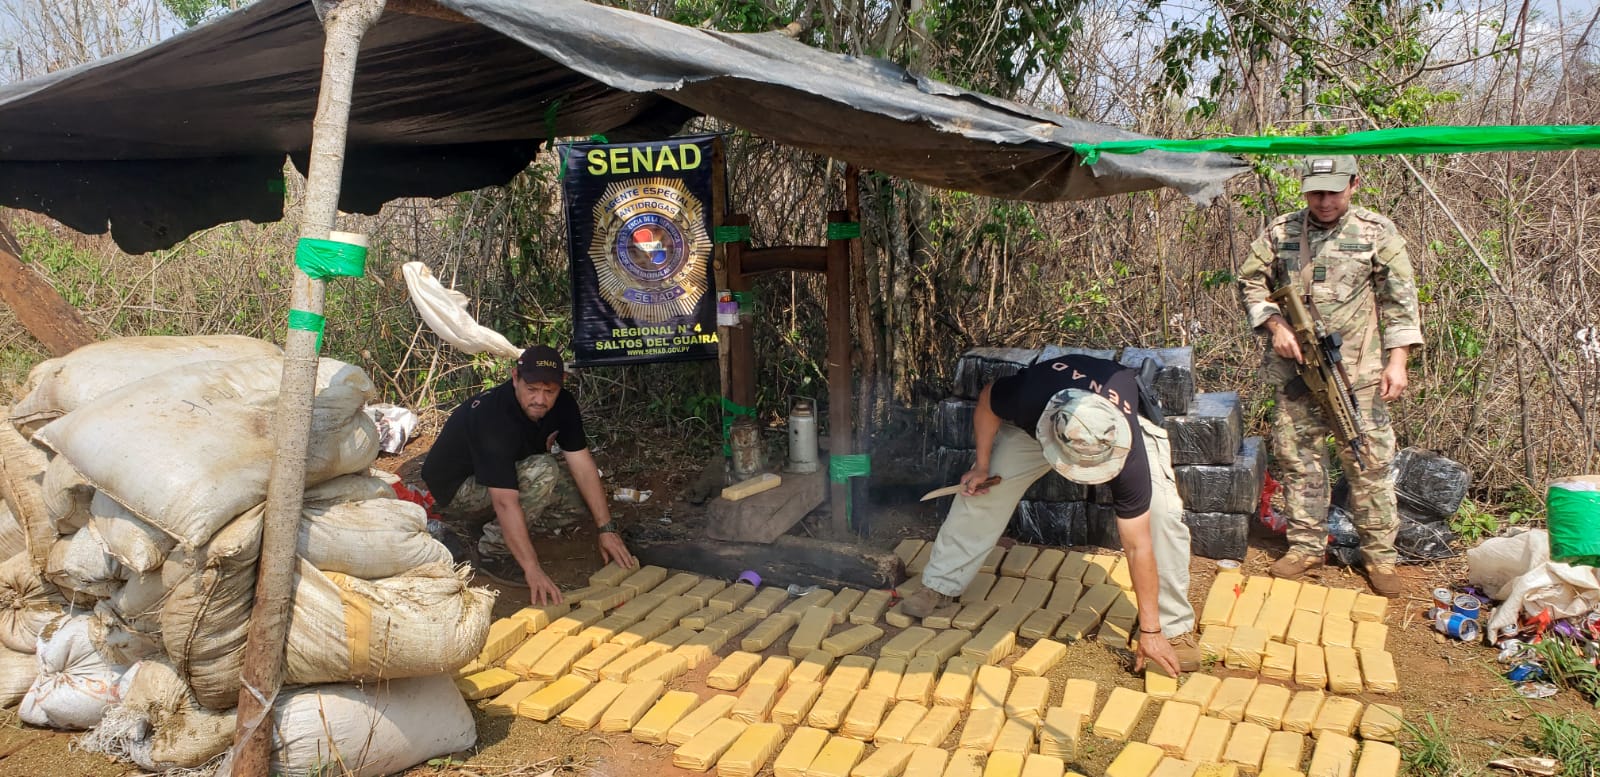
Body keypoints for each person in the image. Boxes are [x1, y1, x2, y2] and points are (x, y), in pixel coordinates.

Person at [901, 353, 1199, 677]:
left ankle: (1172, 630)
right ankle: (940, 584)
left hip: (1117, 426)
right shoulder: (1030, 396)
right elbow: (988, 398)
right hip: (1056, 417)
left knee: (1161, 519)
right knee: (983, 490)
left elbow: (1138, 545)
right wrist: (982, 466)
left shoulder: (1129, 458)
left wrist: (1151, 631)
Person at [1236, 155, 1423, 598]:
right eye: (1315, 192)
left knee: (1369, 462)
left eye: (1333, 192)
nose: (1323, 202)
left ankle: (1379, 555)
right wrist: (1275, 326)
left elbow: (1400, 301)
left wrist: (1398, 362)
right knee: (1299, 461)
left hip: (1356, 374)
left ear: (1354, 185)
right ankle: (1304, 547)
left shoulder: (1378, 232)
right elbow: (1249, 283)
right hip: (1296, 372)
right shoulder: (1281, 231)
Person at [421, 344, 636, 604]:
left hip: (499, 478)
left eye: (549, 391)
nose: (540, 400)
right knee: (543, 471)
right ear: (515, 378)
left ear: (562, 384)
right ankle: (494, 552)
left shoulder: (564, 405)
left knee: (580, 502)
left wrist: (606, 528)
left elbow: (582, 465)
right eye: (532, 389)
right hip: (456, 490)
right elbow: (504, 500)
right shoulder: (493, 417)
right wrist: (532, 568)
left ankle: (494, 526)